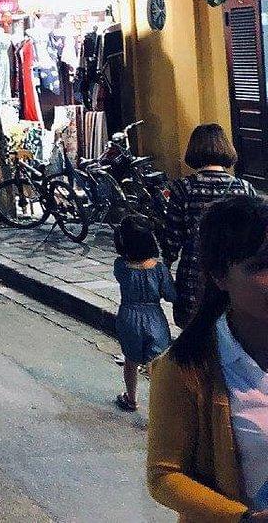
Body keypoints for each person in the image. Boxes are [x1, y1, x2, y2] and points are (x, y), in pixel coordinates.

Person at [147, 194, 268, 521]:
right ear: (219, 276)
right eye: (260, 265)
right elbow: (164, 477)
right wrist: (243, 519)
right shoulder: (185, 368)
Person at [161, 123, 257, 327]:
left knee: (195, 338)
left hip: (193, 276)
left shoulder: (183, 188)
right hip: (234, 278)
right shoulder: (245, 189)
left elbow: (172, 237)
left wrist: (165, 264)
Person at [113, 216, 176, 412]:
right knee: (155, 365)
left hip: (128, 317)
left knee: (131, 360)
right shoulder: (159, 269)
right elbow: (171, 295)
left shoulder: (121, 266)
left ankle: (131, 399)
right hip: (154, 317)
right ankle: (161, 406)